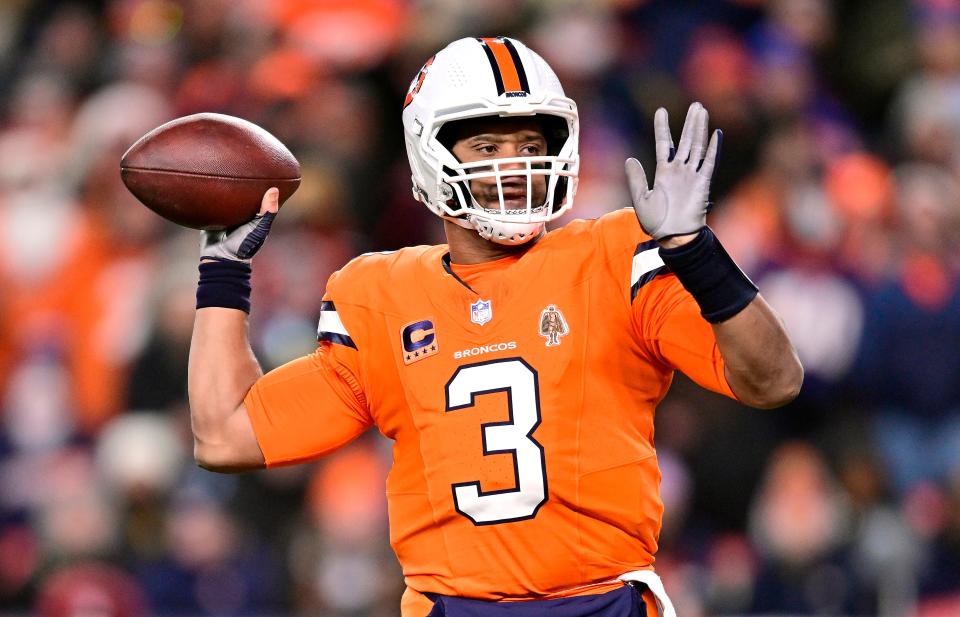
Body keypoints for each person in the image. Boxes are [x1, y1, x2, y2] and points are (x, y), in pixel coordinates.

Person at [188, 36, 803, 617]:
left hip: (604, 601)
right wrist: (223, 273)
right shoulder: (378, 295)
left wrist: (696, 251)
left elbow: (772, 380)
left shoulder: (615, 255)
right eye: (487, 148)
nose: (515, 166)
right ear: (430, 154)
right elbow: (226, 436)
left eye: (530, 145)